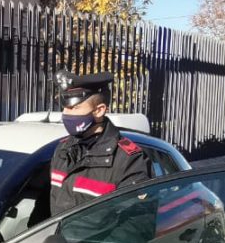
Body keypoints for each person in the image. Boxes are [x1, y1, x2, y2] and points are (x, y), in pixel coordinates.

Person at [48, 72, 150, 216]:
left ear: (99, 110)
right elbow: (47, 206)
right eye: (65, 108)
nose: (66, 114)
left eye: (74, 108)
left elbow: (135, 224)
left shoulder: (128, 160)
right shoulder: (62, 150)